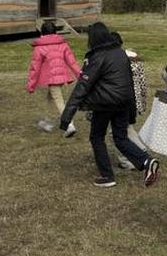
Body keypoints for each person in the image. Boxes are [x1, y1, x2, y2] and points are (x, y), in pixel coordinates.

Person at [58, 22, 159, 188]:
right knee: (120, 138)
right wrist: (131, 110)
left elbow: (82, 86)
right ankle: (147, 161)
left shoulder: (96, 57)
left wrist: (66, 117)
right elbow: (129, 83)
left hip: (104, 104)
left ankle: (107, 176)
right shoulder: (120, 53)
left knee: (96, 137)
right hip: (123, 102)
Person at [26, 20, 81, 132]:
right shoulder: (63, 44)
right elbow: (72, 62)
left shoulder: (39, 48)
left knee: (58, 100)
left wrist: (30, 85)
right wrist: (81, 76)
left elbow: (34, 68)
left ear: (42, 33)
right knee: (50, 98)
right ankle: (46, 121)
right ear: (56, 32)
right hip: (61, 78)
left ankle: (69, 124)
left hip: (51, 79)